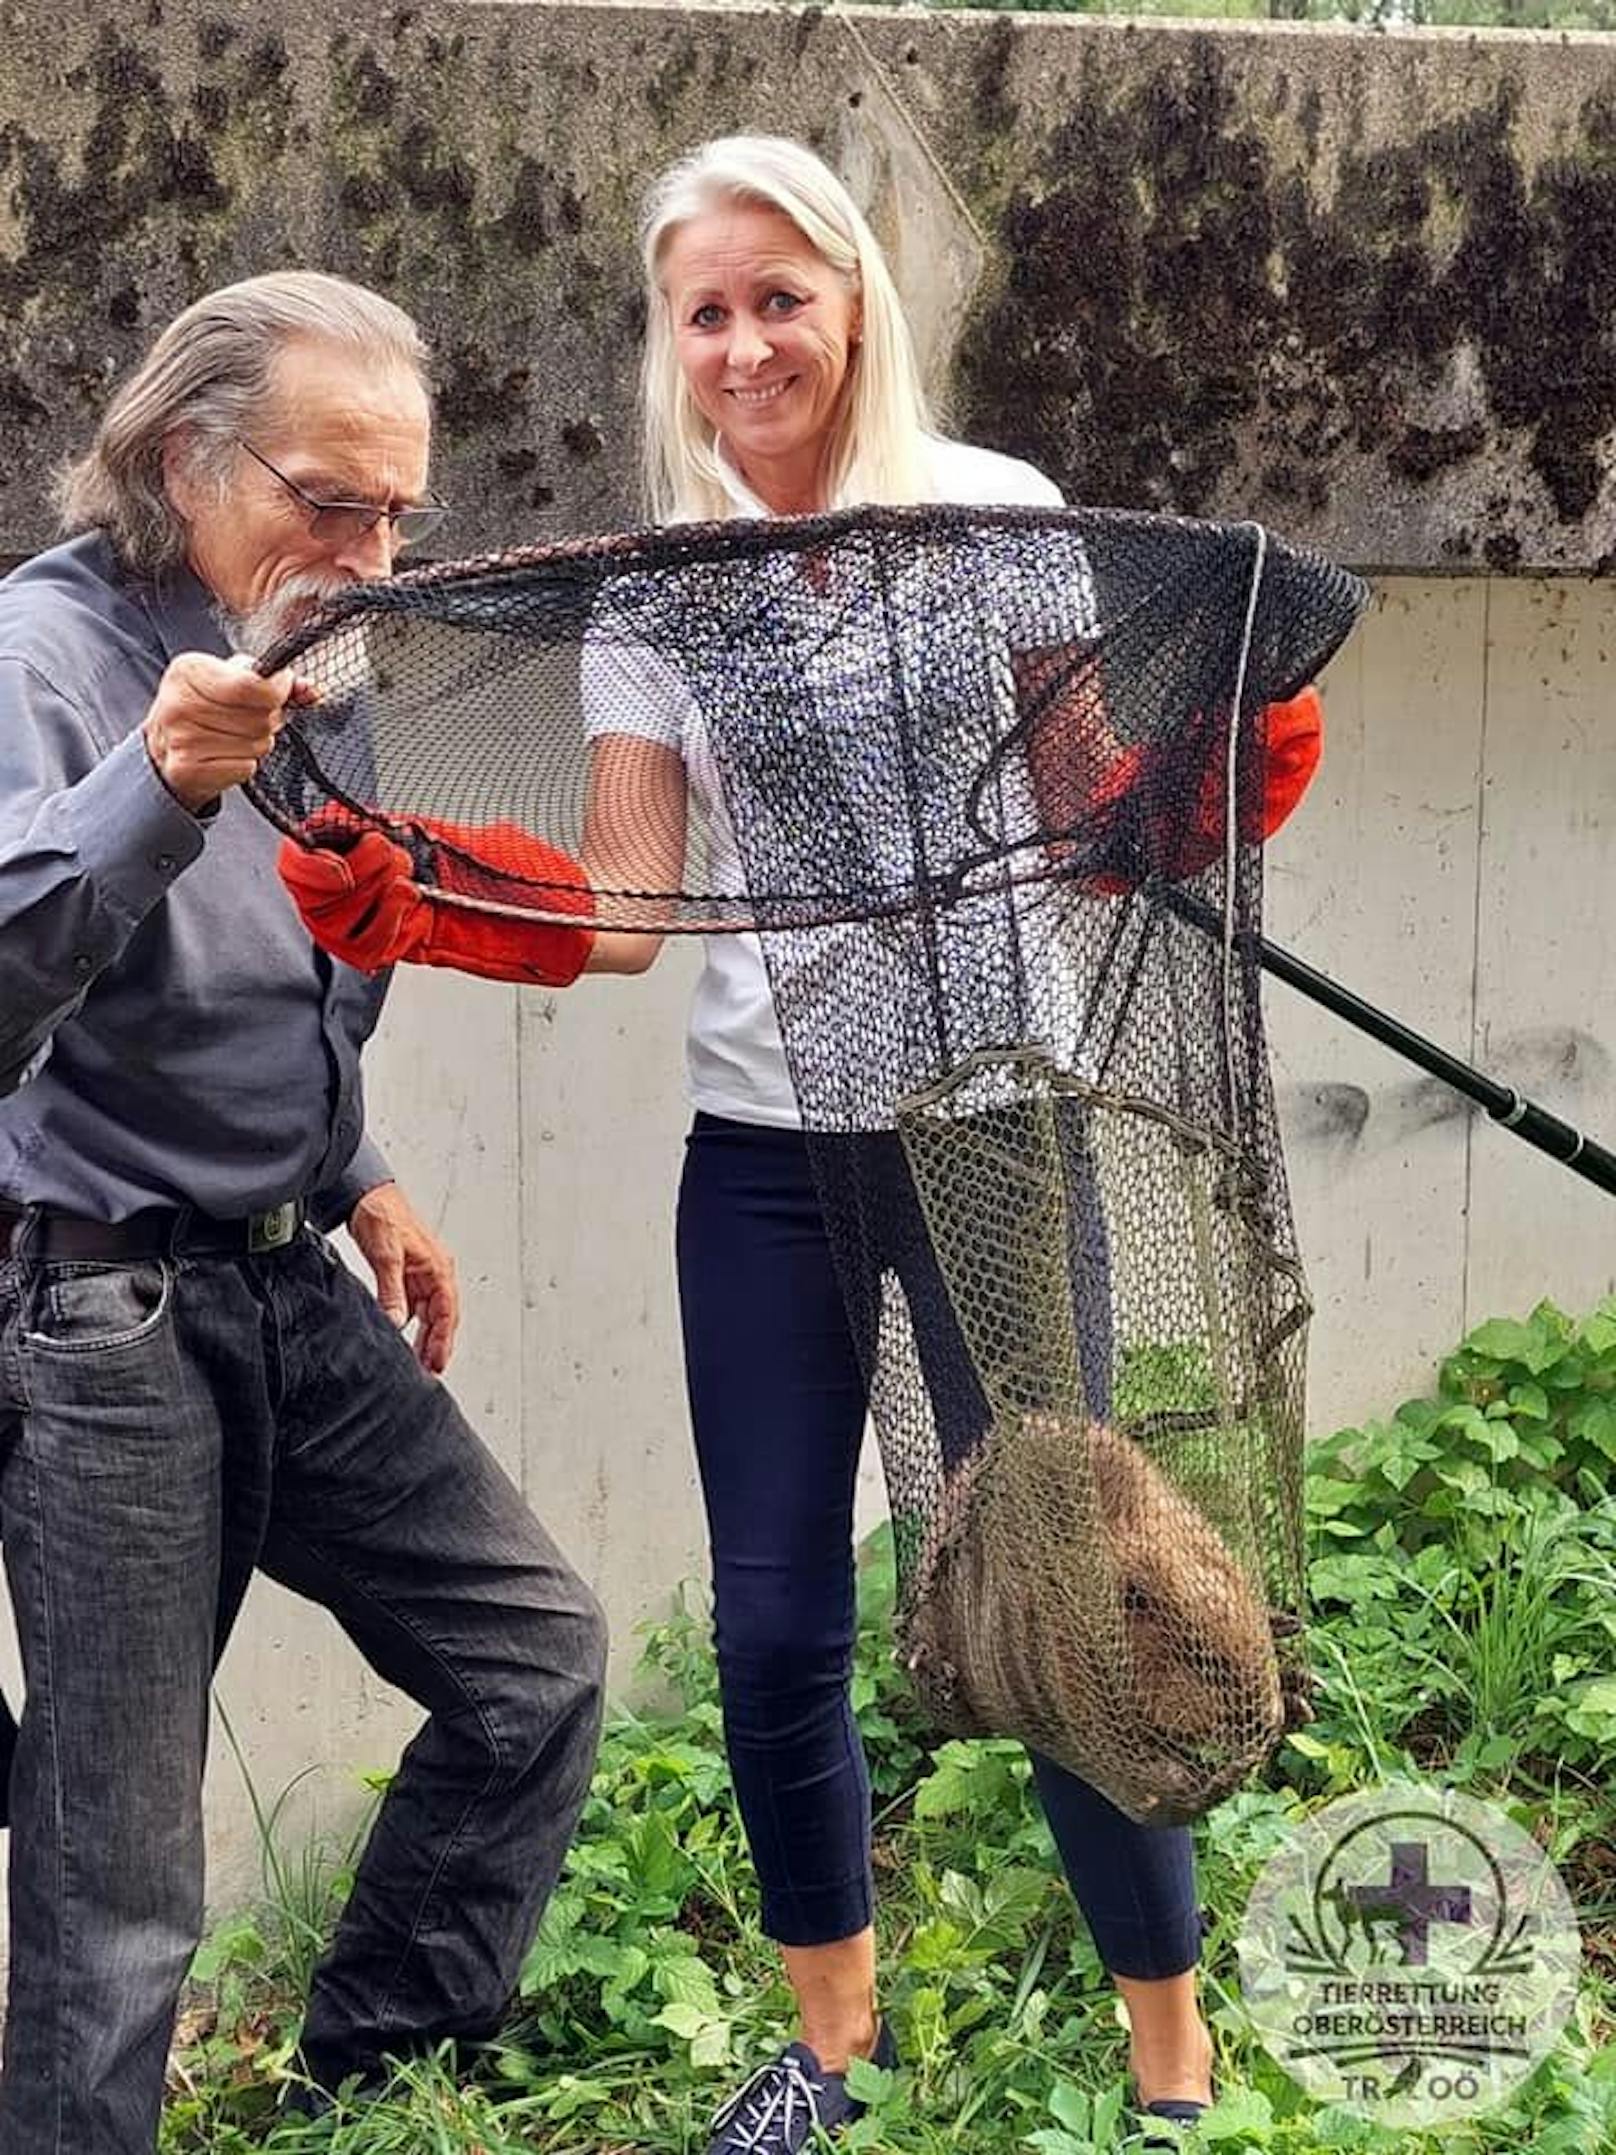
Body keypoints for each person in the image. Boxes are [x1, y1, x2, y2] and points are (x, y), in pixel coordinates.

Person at [284, 141, 1320, 2152]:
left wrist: (1224, 769)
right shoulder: (663, 600)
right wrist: (420, 885)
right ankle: (832, 2051)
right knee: (769, 1618)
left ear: (852, 303)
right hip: (761, 1155)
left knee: (1065, 1596)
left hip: (1000, 1143)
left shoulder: (996, 519)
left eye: (781, 294)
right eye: (707, 309)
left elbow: (1109, 815)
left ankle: (1171, 2072)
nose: (747, 338)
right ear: (672, 345)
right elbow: (619, 908)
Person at [0, 270, 607, 2155]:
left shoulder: (319, 641)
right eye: (327, 500)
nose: (368, 548)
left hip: (287, 1279)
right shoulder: (47, 655)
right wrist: (154, 787)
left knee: (534, 1668)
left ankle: (365, 2094)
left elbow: (298, 945)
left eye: (399, 510)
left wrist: (361, 1169)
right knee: (119, 1897)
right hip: (106, 1322)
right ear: (185, 458)